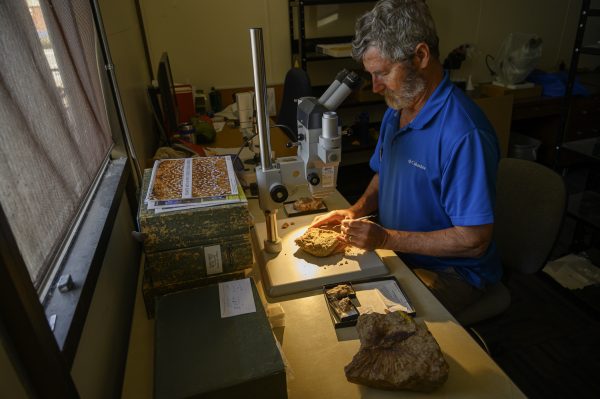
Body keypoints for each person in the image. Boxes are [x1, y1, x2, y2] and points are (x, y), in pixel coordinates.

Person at [311, 0, 502, 314]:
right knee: (330, 299)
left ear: (421, 56)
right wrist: (354, 212)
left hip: (453, 273)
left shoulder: (464, 135)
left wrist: (386, 238)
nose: (375, 87)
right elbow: (385, 173)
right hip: (400, 253)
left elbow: (474, 239)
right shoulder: (399, 107)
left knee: (370, 322)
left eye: (383, 73)